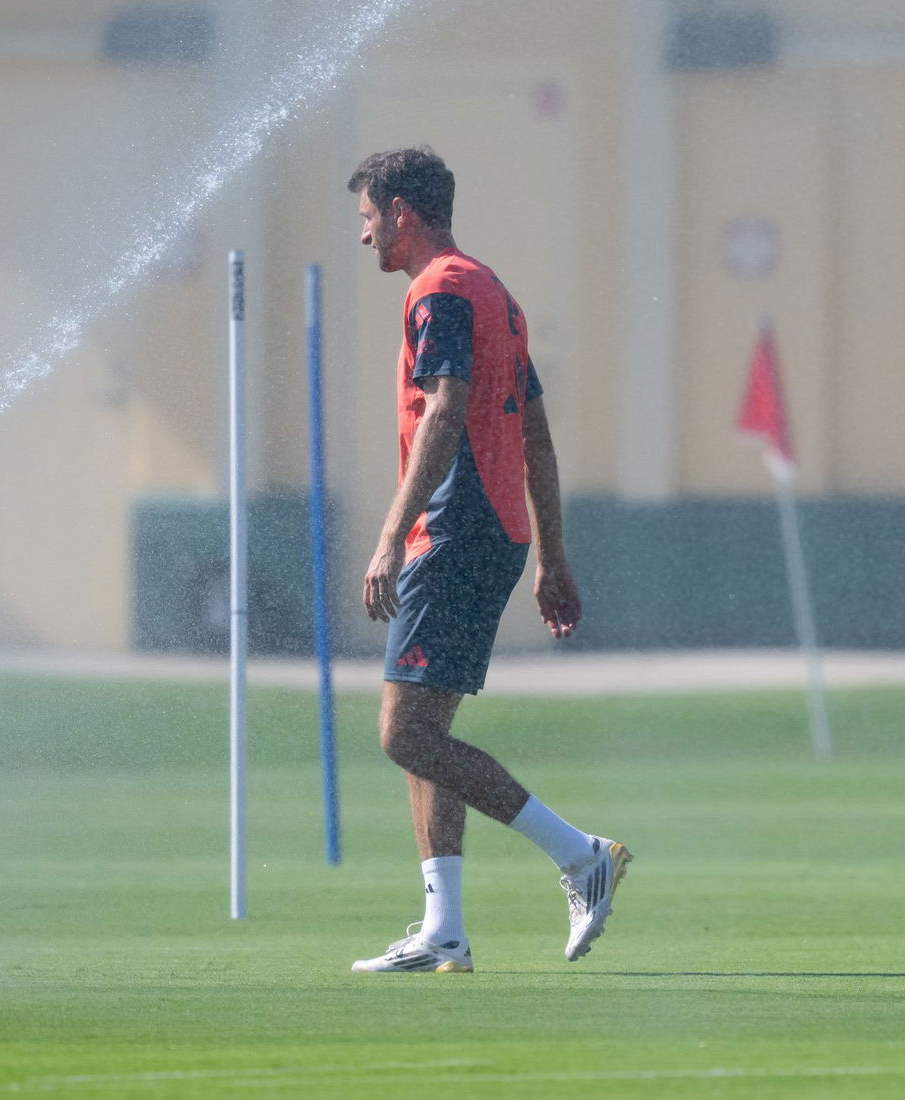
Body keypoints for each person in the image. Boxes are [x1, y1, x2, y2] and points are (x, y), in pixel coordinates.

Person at [345, 146, 630, 973]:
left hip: (455, 527)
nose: (365, 238)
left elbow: (444, 412)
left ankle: (581, 855)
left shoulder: (439, 292)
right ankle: (445, 930)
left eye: (368, 219)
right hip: (495, 530)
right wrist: (552, 554)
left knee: (403, 734)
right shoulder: (493, 293)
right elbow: (534, 430)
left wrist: (392, 535)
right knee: (426, 731)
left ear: (402, 211)